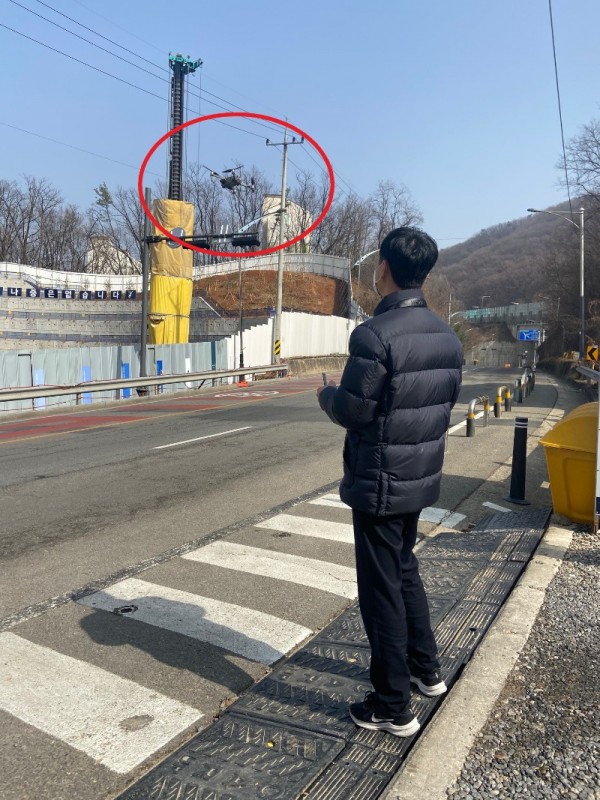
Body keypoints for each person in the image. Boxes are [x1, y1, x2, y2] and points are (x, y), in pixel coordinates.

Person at [317, 227, 463, 737]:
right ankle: (427, 671)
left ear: (383, 268)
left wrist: (327, 395)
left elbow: (356, 411)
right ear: (423, 273)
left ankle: (391, 704)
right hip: (419, 478)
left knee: (381, 589)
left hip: (378, 480)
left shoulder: (374, 335)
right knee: (403, 570)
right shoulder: (446, 336)